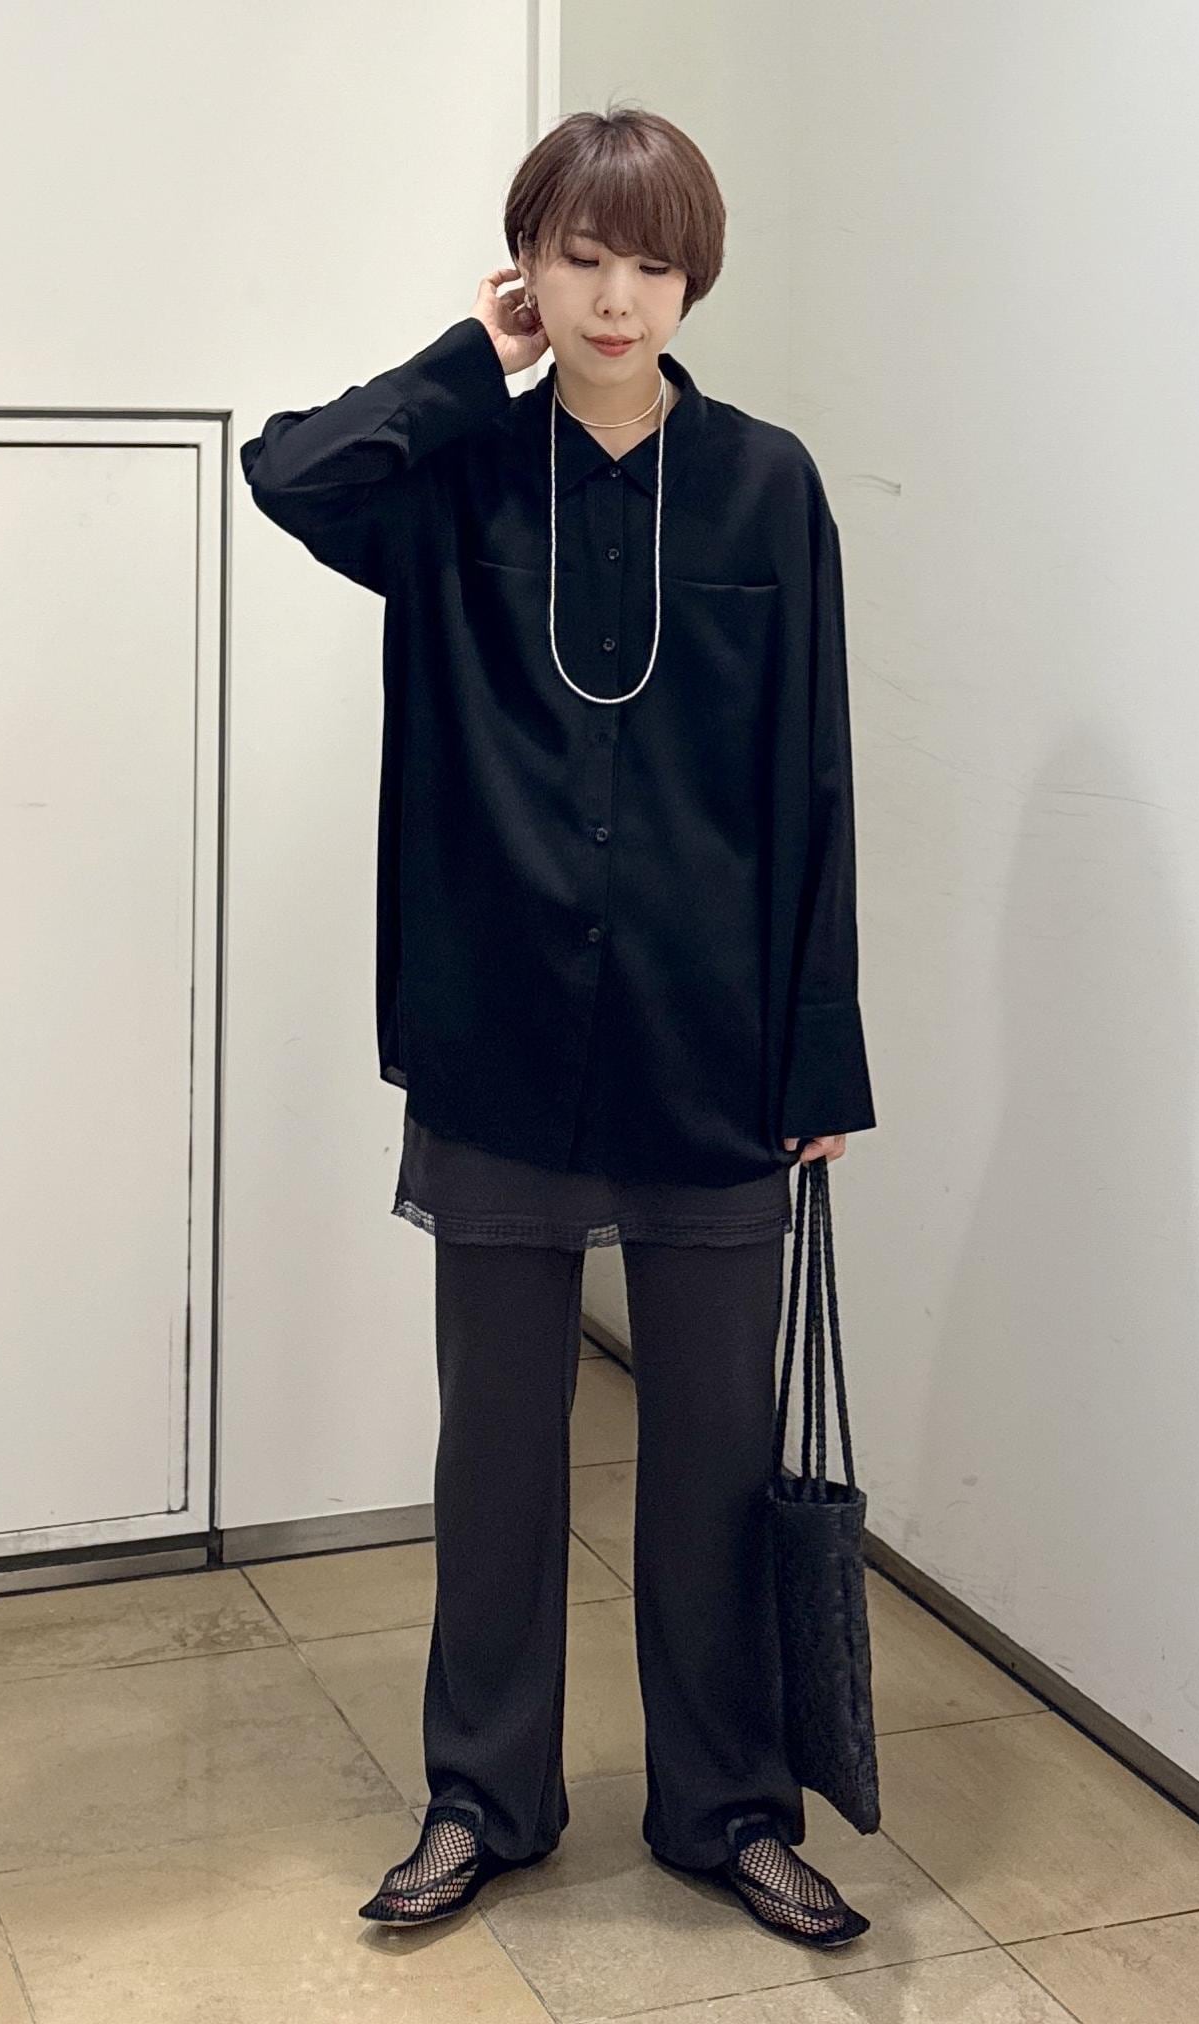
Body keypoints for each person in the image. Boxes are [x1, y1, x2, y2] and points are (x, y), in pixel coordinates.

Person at [240, 103, 876, 1951]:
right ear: (528, 264)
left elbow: (813, 781)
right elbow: (289, 474)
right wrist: (468, 361)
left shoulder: (765, 488)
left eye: (649, 263)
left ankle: (726, 1808)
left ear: (694, 278)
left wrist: (818, 1053)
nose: (614, 297)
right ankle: (483, 1798)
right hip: (499, 1025)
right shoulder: (454, 474)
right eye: (580, 258)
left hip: (711, 1042)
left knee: (713, 1457)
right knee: (498, 1451)